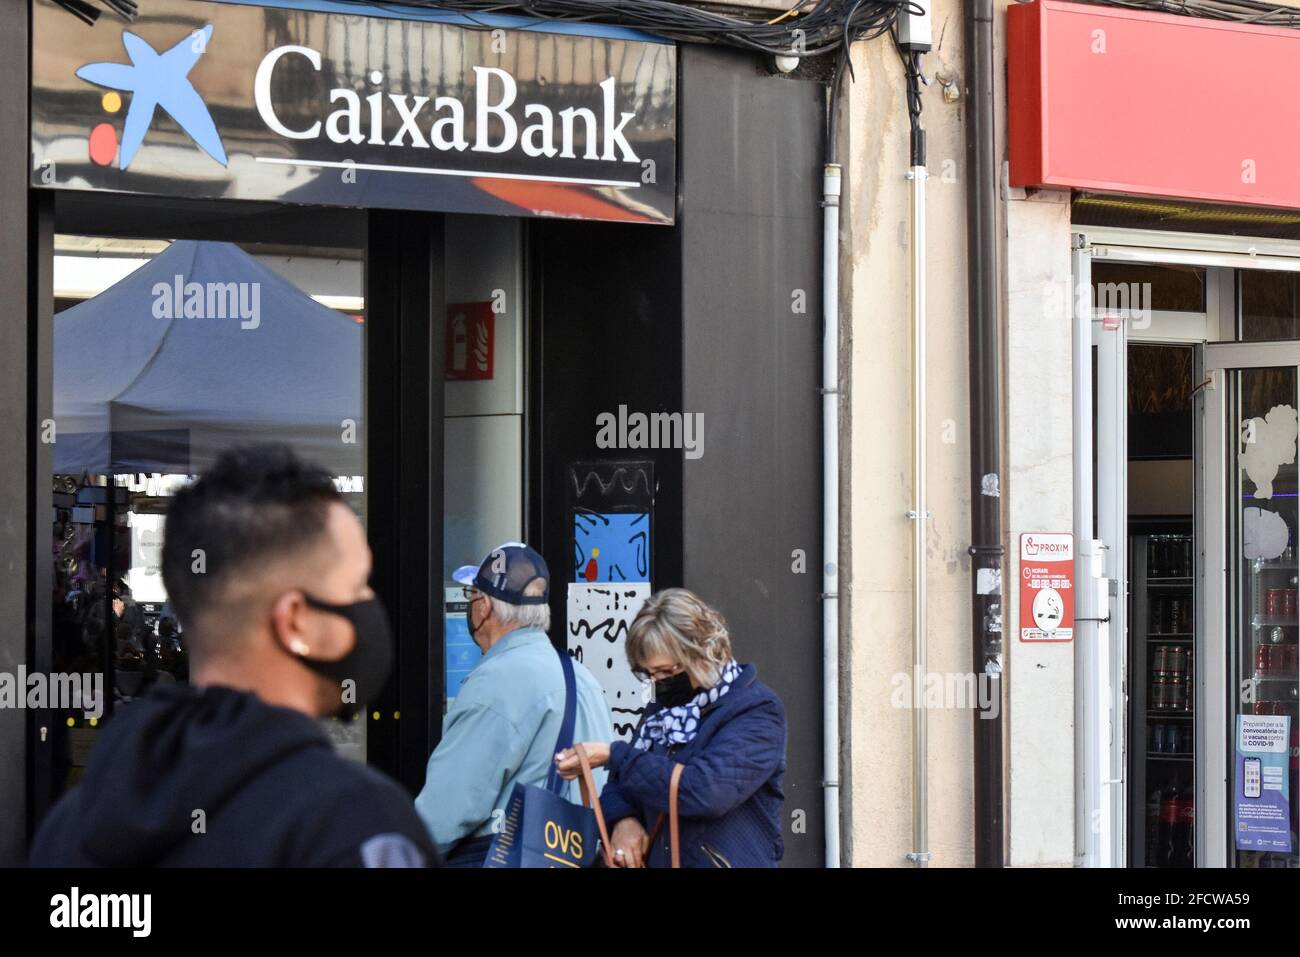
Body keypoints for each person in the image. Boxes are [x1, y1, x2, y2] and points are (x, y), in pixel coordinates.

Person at [30, 444, 440, 867]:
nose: (368, 605)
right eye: (356, 586)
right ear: (296, 621)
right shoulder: (356, 827)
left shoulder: (70, 826)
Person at [555, 588, 787, 868]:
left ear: (704, 652)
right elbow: (620, 783)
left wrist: (614, 754)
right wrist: (623, 821)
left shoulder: (756, 711)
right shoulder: (664, 712)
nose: (659, 682)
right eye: (649, 674)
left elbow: (705, 791)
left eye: (667, 671)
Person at [415, 543, 615, 866]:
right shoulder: (583, 679)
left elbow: (447, 810)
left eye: (472, 596)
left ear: (485, 607)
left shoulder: (495, 682)